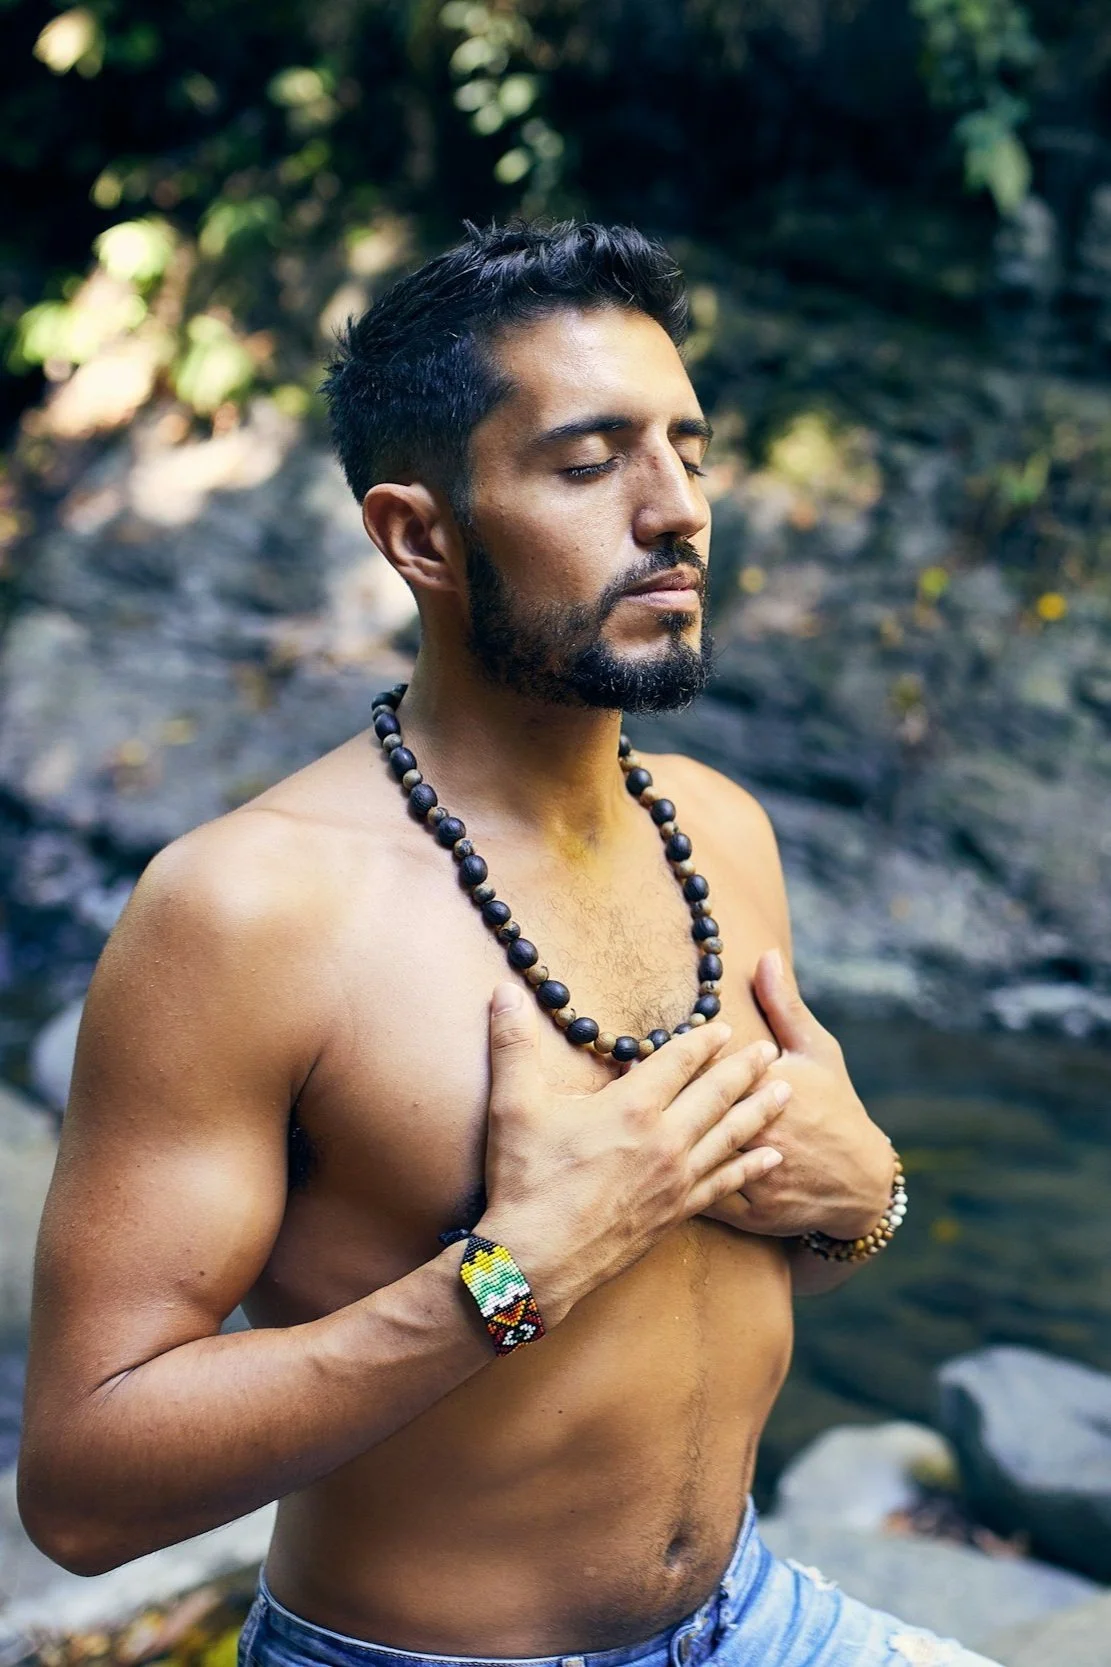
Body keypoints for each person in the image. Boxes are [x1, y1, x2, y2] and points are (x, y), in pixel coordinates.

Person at [18, 220, 1000, 1667]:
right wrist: (503, 1278)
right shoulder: (247, 912)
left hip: (755, 1618)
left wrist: (864, 1197)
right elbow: (82, 1493)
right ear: (420, 535)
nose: (675, 512)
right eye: (590, 462)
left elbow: (701, 1281)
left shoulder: (722, 834)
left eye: (689, 449)